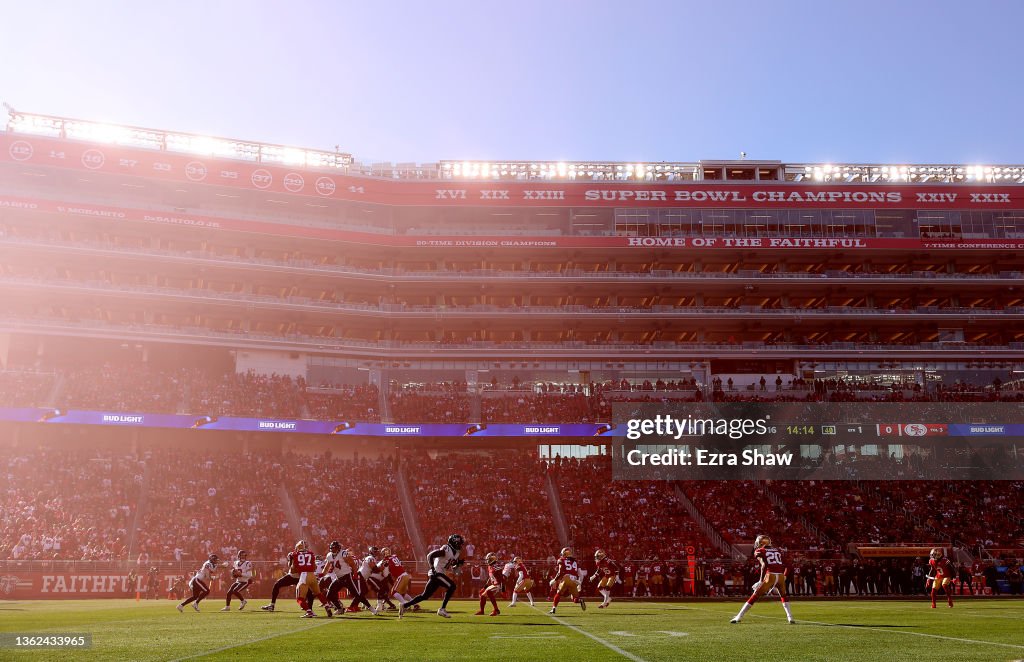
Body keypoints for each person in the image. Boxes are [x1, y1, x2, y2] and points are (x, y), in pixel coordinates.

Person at [730, 535, 795, 624]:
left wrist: (761, 580)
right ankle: (790, 617)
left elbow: (764, 565)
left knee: (754, 596)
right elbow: (789, 566)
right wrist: (785, 576)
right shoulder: (777, 551)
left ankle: (739, 617)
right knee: (783, 596)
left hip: (770, 576)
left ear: (761, 543)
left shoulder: (760, 550)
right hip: (780, 576)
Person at [399, 534, 465, 619]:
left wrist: (457, 564)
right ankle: (442, 609)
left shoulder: (456, 553)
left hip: (439, 573)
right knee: (452, 586)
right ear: (454, 542)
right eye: (459, 543)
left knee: (424, 596)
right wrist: (432, 568)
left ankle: (404, 605)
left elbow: (449, 565)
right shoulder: (446, 549)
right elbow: (430, 555)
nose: (460, 545)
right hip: (437, 573)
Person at [548, 547, 586, 614]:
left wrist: (554, 580)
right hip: (574, 580)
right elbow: (581, 574)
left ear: (563, 554)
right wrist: (580, 583)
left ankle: (554, 608)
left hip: (567, 578)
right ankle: (580, 600)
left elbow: (560, 572)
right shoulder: (575, 561)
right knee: (575, 599)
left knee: (558, 593)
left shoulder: (561, 559)